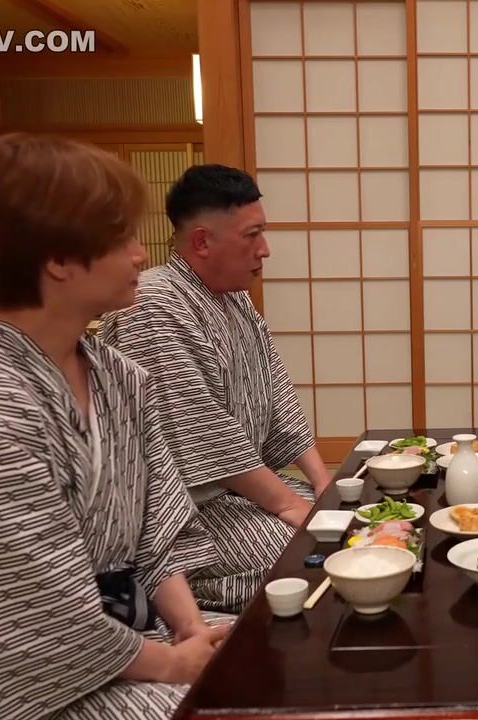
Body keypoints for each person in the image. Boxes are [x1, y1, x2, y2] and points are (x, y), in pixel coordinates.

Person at [0, 133, 229, 720]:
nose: (141, 256)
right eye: (121, 238)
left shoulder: (119, 376)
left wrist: (191, 631)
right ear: (59, 259)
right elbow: (28, 615)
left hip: (131, 642)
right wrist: (173, 665)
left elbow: (157, 528)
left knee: (272, 660)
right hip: (21, 688)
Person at [99, 164, 329, 612]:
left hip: (243, 491)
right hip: (189, 510)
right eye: (252, 235)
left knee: (351, 524)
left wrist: (322, 481)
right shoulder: (153, 303)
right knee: (309, 561)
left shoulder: (235, 297)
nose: (265, 250)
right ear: (202, 242)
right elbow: (202, 433)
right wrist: (288, 506)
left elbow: (276, 390)